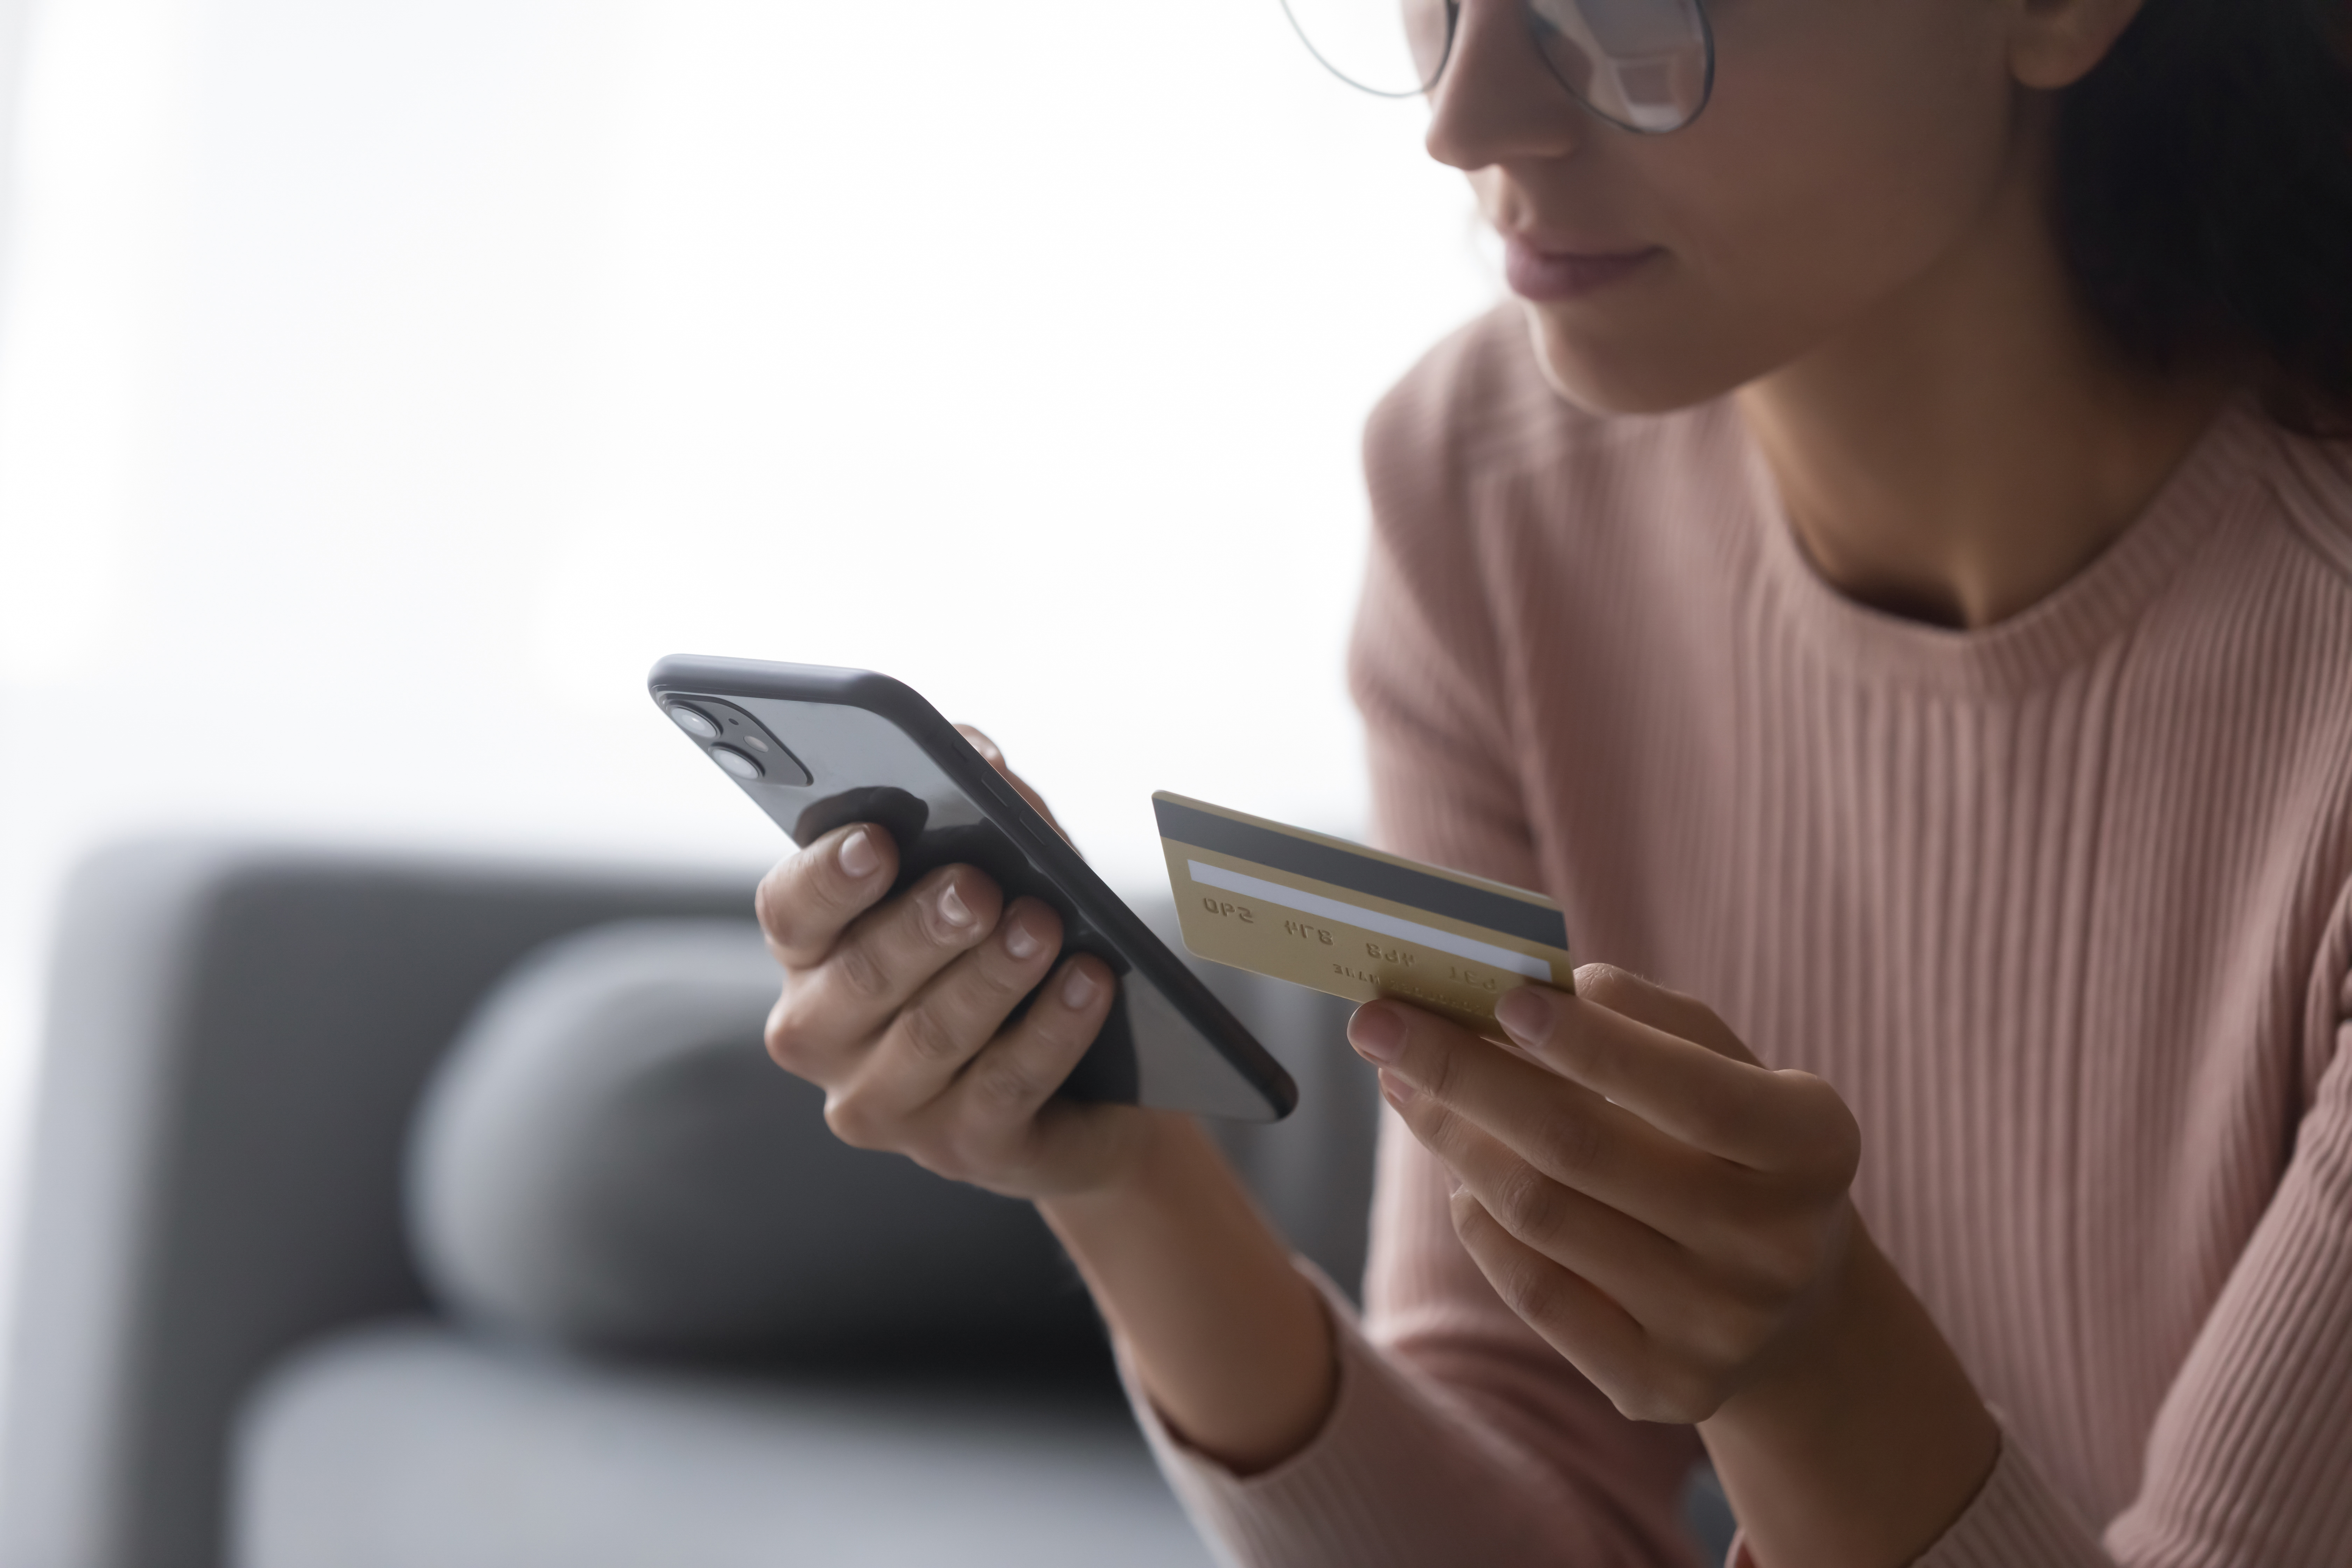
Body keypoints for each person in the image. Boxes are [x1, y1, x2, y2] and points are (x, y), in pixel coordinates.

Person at [750, 0, 2352, 1560]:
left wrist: (1813, 1376)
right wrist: (1123, 1175)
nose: (1465, 120)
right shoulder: (1486, 494)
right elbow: (1535, 1462)